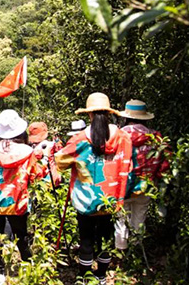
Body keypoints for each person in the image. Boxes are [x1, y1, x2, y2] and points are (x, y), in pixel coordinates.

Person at [55, 93, 132, 284]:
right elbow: (127, 166)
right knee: (105, 240)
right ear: (108, 113)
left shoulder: (81, 139)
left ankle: (84, 277)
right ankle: (102, 276)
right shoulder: (123, 138)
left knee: (87, 240)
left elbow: (61, 161)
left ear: (89, 115)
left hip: (85, 199)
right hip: (112, 198)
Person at [0, 109, 45, 285]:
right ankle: (28, 266)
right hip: (18, 201)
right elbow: (35, 176)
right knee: (22, 235)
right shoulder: (27, 151)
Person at [114, 100, 169, 250]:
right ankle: (136, 250)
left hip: (123, 185)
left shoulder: (119, 135)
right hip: (146, 186)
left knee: (120, 219)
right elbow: (165, 163)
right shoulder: (156, 137)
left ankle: (120, 252)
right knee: (139, 218)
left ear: (127, 117)